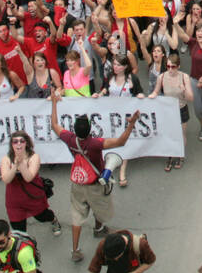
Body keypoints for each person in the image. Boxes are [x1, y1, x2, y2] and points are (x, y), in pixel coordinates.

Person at [50, 108, 140, 262]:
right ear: (90, 130)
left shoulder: (70, 139)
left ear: (75, 130)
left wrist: (53, 101)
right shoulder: (95, 143)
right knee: (100, 207)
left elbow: (54, 124)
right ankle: (98, 228)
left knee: (77, 216)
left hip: (78, 185)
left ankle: (75, 250)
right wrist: (131, 124)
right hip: (95, 184)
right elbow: (121, 142)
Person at [1, 131, 60, 235]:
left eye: (21, 141)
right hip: (14, 201)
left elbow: (29, 177)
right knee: (19, 232)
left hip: (33, 197)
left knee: (43, 216)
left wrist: (22, 164)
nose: (18, 144)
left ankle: (53, 220)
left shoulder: (34, 157)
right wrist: (15, 166)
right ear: (11, 144)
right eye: (15, 142)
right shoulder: (6, 159)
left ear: (26, 143)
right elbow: (6, 179)